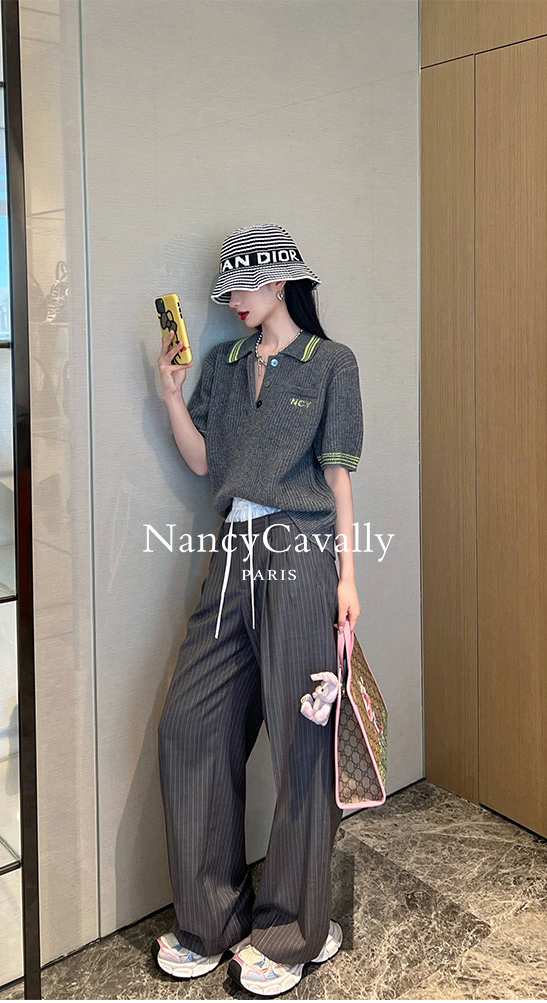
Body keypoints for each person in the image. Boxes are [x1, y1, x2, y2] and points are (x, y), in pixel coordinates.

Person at [152, 223, 364, 997]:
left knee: (304, 740)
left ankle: (296, 930)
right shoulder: (224, 362)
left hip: (302, 554)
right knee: (191, 724)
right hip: (232, 551)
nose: (233, 300)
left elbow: (337, 479)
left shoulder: (331, 363)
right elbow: (205, 460)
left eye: (243, 286)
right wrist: (171, 394)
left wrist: (347, 576)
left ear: (279, 282)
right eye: (228, 289)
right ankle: (211, 918)